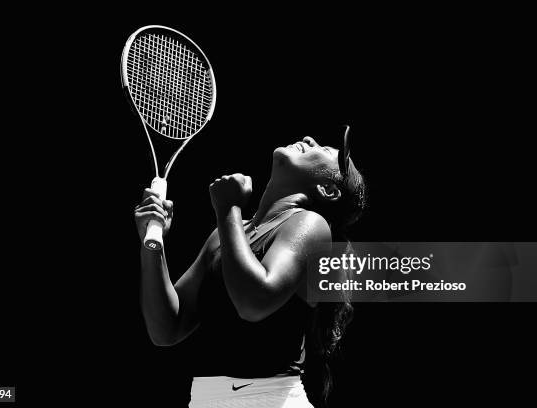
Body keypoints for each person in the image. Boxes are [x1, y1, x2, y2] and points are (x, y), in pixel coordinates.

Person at [134, 126, 366, 407]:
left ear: (327, 190)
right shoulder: (226, 234)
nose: (309, 139)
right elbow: (166, 329)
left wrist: (228, 209)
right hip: (207, 399)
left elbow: (253, 303)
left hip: (269, 399)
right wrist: (152, 243)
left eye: (325, 150)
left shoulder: (310, 225)